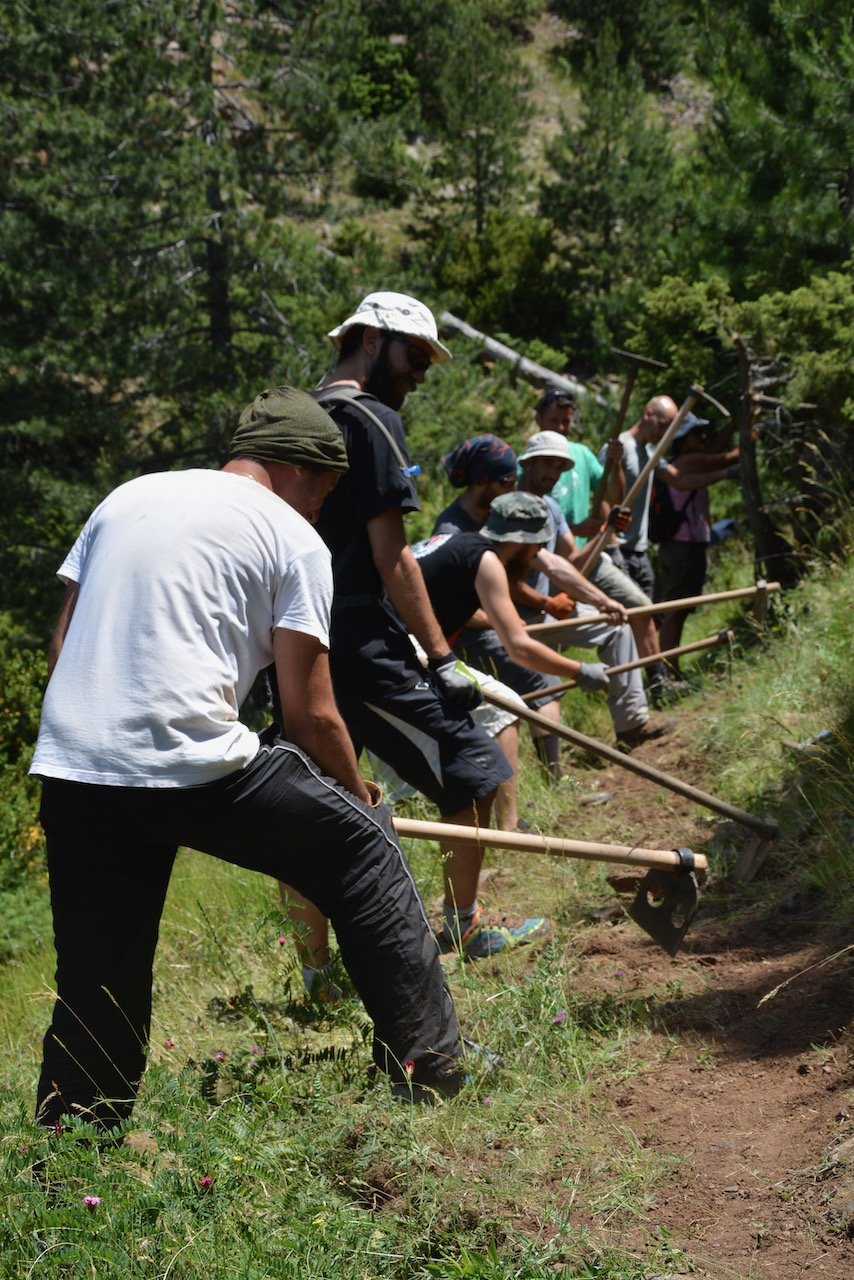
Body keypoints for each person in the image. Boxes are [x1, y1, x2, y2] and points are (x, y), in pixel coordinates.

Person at [29, 386, 468, 1127]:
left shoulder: (126, 497)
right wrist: (356, 793)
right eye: (325, 492)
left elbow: (63, 644)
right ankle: (435, 1068)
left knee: (99, 973)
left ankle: (76, 1141)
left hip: (74, 765)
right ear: (301, 469)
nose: (321, 509)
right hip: (194, 762)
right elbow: (310, 713)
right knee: (366, 850)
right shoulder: (291, 534)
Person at [306, 291, 550, 962]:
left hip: (291, 643)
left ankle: (318, 973)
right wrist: (441, 658)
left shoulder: (300, 416)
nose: (421, 373)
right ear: (373, 340)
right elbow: (392, 554)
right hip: (356, 636)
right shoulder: (370, 418)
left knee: (314, 804)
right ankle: (465, 926)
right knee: (472, 767)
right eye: (416, 356)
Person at [516, 431, 674, 752]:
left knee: (618, 627)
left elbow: (571, 562)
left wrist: (607, 531)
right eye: (547, 464)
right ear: (528, 463)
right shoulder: (507, 508)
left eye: (559, 467)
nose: (552, 473)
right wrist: (547, 600)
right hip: (513, 622)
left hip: (548, 614)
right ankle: (551, 773)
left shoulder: (551, 508)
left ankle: (632, 725)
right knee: (542, 689)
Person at [433, 435, 572, 783]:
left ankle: (550, 781)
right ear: (481, 481)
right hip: (466, 635)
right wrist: (581, 671)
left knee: (535, 691)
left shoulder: (496, 514)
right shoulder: (453, 530)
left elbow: (533, 565)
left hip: (489, 625)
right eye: (506, 482)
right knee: (541, 686)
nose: (513, 488)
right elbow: (459, 610)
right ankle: (554, 784)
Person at [534, 392, 678, 705]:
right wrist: (572, 529)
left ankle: (656, 685)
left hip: (589, 556)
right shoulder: (531, 462)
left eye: (565, 422)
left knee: (638, 606)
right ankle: (550, 699)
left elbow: (612, 498)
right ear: (538, 421)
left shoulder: (583, 455)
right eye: (553, 421)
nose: (560, 427)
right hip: (548, 564)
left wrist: (614, 466)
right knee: (551, 638)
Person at [655, 412, 740, 669]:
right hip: (683, 544)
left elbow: (714, 452)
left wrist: (736, 422)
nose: (702, 437)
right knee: (675, 611)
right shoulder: (688, 461)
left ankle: (669, 668)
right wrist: (752, 434)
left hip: (684, 544)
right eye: (696, 434)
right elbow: (724, 457)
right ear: (682, 439)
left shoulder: (686, 459)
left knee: (678, 611)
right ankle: (666, 672)